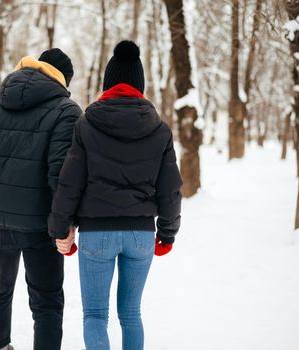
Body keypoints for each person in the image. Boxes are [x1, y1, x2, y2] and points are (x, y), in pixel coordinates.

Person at [48, 41, 183, 350]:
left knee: (95, 315)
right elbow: (170, 189)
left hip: (97, 235)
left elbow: (69, 183)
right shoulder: (160, 130)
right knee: (131, 313)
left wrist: (60, 229)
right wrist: (167, 233)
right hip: (141, 235)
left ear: (107, 84)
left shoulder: (86, 124)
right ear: (141, 85)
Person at [0, 48, 82, 350]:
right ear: (62, 79)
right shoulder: (66, 112)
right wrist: (65, 224)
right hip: (41, 226)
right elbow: (60, 177)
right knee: (48, 302)